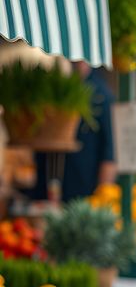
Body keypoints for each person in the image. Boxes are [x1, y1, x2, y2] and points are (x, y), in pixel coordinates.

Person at [31, 61, 115, 202]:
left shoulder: (101, 94)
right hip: (51, 185)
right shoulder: (60, 88)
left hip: (85, 189)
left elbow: (109, 152)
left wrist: (103, 198)